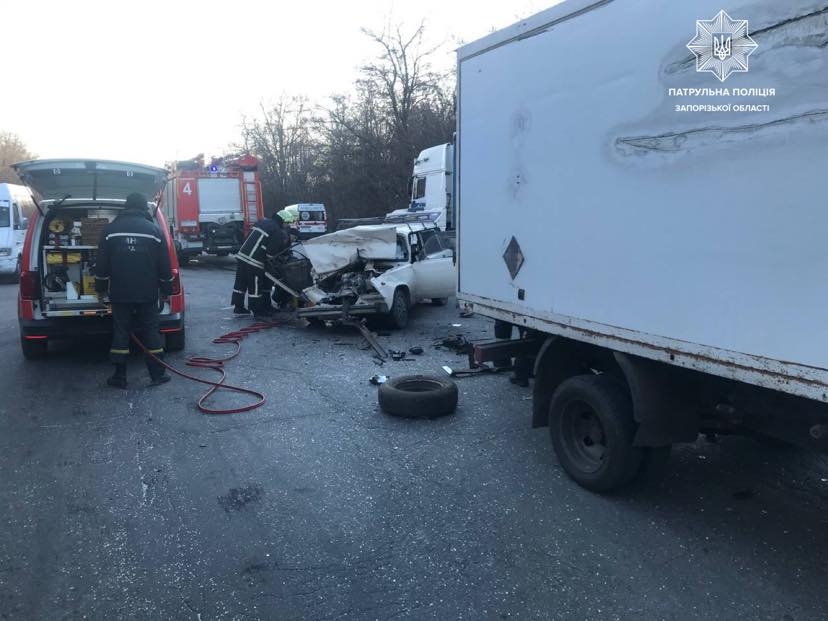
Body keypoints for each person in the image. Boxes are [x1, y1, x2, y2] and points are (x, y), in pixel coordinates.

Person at [95, 192, 174, 388]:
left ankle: (119, 376)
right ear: (143, 208)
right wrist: (166, 289)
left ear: (126, 206)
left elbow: (102, 264)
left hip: (120, 293)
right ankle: (157, 375)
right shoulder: (154, 231)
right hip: (148, 293)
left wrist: (100, 288)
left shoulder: (110, 230)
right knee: (151, 331)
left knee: (121, 331)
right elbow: (164, 265)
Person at [231, 212, 289, 318]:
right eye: (287, 223)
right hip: (255, 261)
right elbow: (270, 254)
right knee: (255, 286)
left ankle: (238, 307)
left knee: (241, 282)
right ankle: (258, 311)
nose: (287, 225)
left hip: (243, 255)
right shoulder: (276, 230)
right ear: (282, 221)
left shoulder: (262, 223)